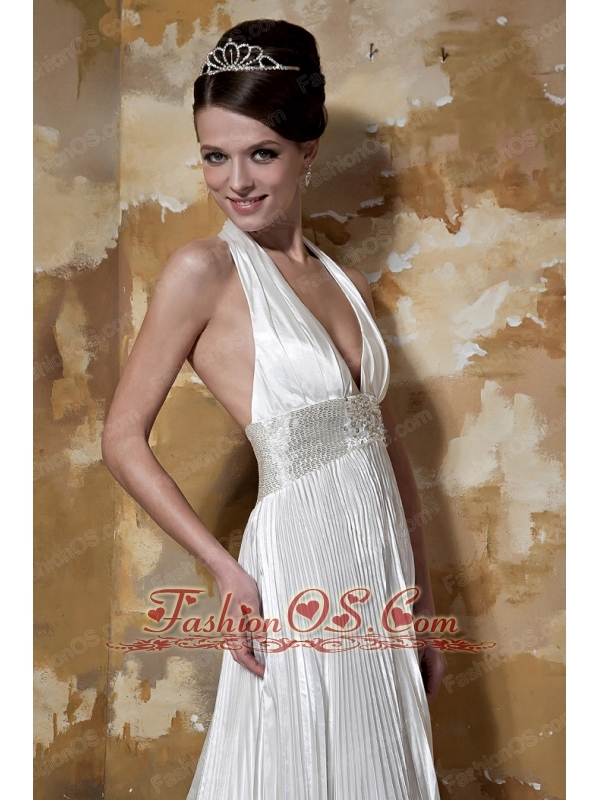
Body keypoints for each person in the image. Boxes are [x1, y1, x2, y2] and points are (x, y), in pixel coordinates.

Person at [102, 18, 446, 799]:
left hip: (379, 564)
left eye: (262, 153)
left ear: (308, 150)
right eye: (214, 156)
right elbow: (121, 439)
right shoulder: (203, 271)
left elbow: (388, 447)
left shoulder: (350, 286)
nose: (236, 182)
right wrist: (225, 569)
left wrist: (421, 598)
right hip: (295, 558)